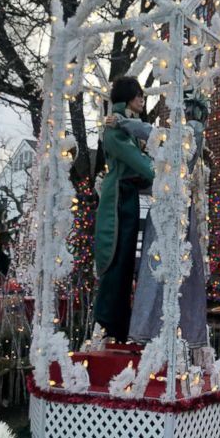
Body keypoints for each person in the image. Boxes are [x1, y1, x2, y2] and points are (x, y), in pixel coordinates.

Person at [128, 94, 210, 348]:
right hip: (180, 205)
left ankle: (150, 329)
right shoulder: (194, 134)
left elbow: (151, 132)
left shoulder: (187, 133)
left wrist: (122, 123)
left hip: (169, 206)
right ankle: (182, 330)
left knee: (158, 266)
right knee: (184, 271)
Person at [93, 77, 155, 342]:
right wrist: (158, 173)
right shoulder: (116, 128)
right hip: (118, 197)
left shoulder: (124, 126)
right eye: (139, 95)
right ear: (129, 97)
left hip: (126, 195)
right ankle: (110, 318)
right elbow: (139, 164)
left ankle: (118, 320)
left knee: (125, 257)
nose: (142, 99)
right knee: (116, 254)